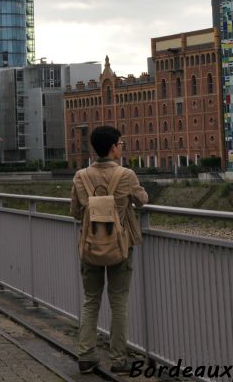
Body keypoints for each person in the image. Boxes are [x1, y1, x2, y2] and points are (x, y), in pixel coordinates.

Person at [70, 125, 148, 374]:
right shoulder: (126, 175)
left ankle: (85, 355)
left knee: (91, 301)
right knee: (119, 303)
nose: (121, 147)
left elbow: (74, 212)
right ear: (113, 147)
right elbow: (142, 200)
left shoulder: (80, 176)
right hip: (120, 245)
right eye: (121, 143)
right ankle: (118, 360)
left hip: (91, 244)